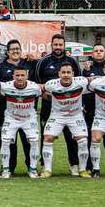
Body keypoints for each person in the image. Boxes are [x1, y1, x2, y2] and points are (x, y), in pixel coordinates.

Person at [32, 33, 82, 175]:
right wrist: (48, 95)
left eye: (60, 45)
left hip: (69, 106)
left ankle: (74, 165)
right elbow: (38, 85)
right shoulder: (43, 61)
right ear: (51, 45)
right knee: (46, 135)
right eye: (56, 45)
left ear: (64, 45)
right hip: (49, 105)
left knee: (71, 136)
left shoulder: (73, 61)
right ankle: (45, 166)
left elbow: (78, 82)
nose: (58, 47)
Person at [0, 39, 36, 175]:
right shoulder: (0, 67)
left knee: (29, 140)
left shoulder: (29, 64)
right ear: (7, 52)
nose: (15, 51)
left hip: (27, 111)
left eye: (18, 49)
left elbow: (38, 85)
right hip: (5, 111)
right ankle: (8, 167)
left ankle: (31, 168)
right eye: (12, 49)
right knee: (8, 140)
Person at [41, 62, 91, 178]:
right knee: (48, 138)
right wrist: (50, 96)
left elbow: (93, 80)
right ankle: (47, 170)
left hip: (75, 116)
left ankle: (82, 169)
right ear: (59, 74)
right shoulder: (51, 84)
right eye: (63, 72)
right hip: (57, 116)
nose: (66, 75)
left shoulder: (81, 81)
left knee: (83, 141)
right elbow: (40, 89)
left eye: (68, 72)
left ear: (73, 74)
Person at [0, 65, 42, 179]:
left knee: (33, 141)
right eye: (17, 75)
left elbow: (42, 94)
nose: (20, 78)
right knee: (5, 141)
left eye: (22, 75)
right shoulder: (5, 87)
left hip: (29, 118)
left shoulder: (34, 87)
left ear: (27, 76)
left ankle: (32, 169)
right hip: (11, 118)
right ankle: (6, 169)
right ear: (13, 76)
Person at [82, 44, 105, 174]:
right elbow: (83, 88)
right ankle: (91, 166)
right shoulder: (87, 68)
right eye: (96, 51)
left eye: (101, 51)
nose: (98, 53)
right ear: (92, 53)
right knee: (92, 139)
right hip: (90, 109)